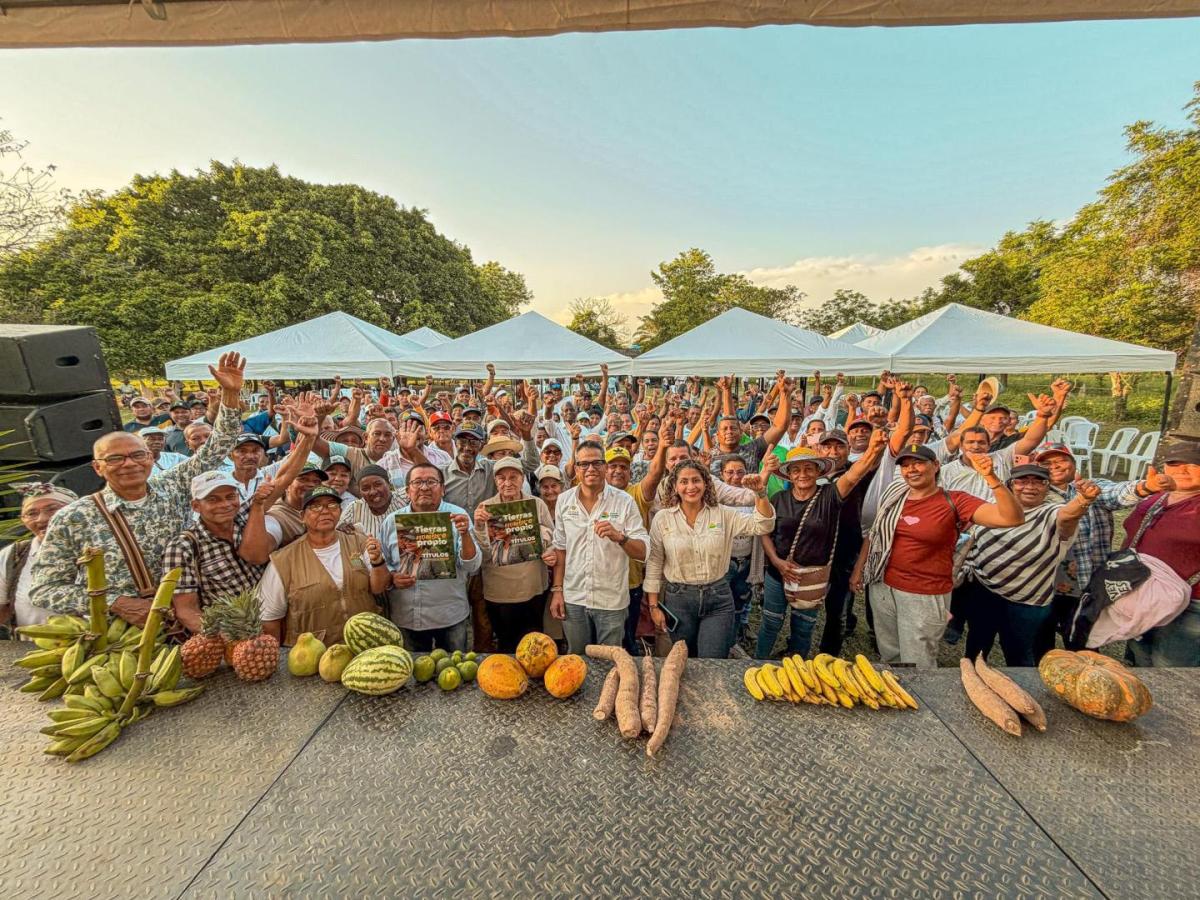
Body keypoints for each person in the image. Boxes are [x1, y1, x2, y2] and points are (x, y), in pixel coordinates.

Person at [30, 352, 248, 621]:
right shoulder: (74, 517)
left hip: (188, 620)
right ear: (98, 467)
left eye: (137, 455)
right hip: (119, 637)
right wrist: (116, 603)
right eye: (115, 458)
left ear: (150, 459)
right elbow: (44, 589)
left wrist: (230, 394)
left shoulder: (172, 485)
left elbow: (216, 449)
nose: (129, 464)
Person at [852, 444, 1024, 668]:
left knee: (919, 660)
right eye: (905, 465)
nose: (911, 469)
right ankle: (896, 694)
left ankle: (921, 701)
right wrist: (859, 569)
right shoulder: (895, 495)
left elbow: (1011, 518)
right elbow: (875, 534)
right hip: (882, 585)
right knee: (889, 653)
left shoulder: (955, 501)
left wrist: (991, 478)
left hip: (923, 593)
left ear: (936, 465)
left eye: (918, 463)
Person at [757, 435, 886, 659]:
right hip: (778, 574)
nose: (803, 474)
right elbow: (764, 532)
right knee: (770, 622)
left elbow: (856, 473)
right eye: (796, 470)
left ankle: (797, 667)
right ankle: (757, 663)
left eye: (809, 468)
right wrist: (777, 562)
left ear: (819, 471)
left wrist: (874, 448)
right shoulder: (778, 498)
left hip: (812, 577)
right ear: (789, 474)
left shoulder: (830, 495)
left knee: (803, 627)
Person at [961, 464, 1101, 665]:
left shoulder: (1052, 512)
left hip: (1025, 601)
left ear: (1048, 487)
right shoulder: (995, 506)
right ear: (1011, 484)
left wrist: (1083, 500)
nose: (1030, 487)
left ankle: (1024, 692)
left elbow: (1067, 516)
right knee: (976, 645)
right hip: (984, 591)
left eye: (1038, 482)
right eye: (1022, 481)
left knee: (1018, 654)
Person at [644, 460, 775, 658]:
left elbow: (763, 525)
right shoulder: (662, 518)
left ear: (706, 484)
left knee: (712, 658)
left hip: (718, 597)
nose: (690, 487)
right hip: (678, 599)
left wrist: (760, 494)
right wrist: (653, 606)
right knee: (683, 658)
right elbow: (654, 562)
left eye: (696, 480)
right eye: (684, 481)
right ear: (675, 486)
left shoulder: (723, 514)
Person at [440, 421, 538, 652]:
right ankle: (458, 656)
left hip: (486, 554)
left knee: (483, 618)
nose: (467, 446)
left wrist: (527, 436)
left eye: (473, 441)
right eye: (462, 440)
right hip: (452, 555)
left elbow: (529, 464)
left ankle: (483, 662)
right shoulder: (441, 475)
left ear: (481, 444)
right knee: (454, 614)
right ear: (455, 443)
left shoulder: (491, 469)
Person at [258, 486, 391, 646]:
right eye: (315, 506)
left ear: (340, 512)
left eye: (332, 505)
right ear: (302, 516)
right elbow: (270, 617)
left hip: (364, 645)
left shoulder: (359, 542)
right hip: (314, 655)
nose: (325, 511)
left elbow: (379, 588)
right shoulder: (283, 561)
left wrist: (378, 562)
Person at [549, 441, 649, 654]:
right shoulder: (564, 501)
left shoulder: (624, 502)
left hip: (610, 600)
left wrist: (620, 537)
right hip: (574, 597)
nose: (591, 469)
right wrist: (557, 591)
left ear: (605, 467)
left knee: (609, 661)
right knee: (576, 659)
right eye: (584, 464)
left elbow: (643, 552)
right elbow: (560, 548)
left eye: (596, 463)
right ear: (575, 469)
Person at [380, 463, 481, 652]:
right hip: (407, 616)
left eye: (431, 482)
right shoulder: (391, 522)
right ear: (407, 490)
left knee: (454, 673)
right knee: (413, 676)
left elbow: (472, 565)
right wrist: (392, 577)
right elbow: (382, 563)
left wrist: (465, 534)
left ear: (442, 489)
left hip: (450, 615)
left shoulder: (458, 516)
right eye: (417, 482)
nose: (424, 487)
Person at [1123, 443, 1200, 667]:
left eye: (1194, 465)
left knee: (1173, 670)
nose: (1182, 470)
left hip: (1189, 604)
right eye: (1174, 464)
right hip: (1143, 595)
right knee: (1139, 659)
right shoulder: (1155, 499)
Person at [473, 458, 556, 652]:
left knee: (534, 643)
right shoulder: (485, 508)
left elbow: (552, 538)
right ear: (495, 481)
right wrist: (478, 526)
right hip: (500, 591)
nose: (507, 483)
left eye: (513, 477)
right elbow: (482, 553)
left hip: (533, 587)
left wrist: (547, 547)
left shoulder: (536, 504)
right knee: (507, 644)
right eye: (502, 478)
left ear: (522, 479)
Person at [0, 484, 79, 637]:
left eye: (52, 509)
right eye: (31, 513)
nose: (42, 519)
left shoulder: (105, 550)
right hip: (32, 654)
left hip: (101, 652)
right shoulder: (13, 556)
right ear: (22, 519)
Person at [338, 464, 407, 544]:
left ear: (388, 483)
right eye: (365, 488)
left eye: (378, 484)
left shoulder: (404, 498)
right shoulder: (354, 509)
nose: (373, 492)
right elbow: (339, 532)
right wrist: (342, 531)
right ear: (360, 492)